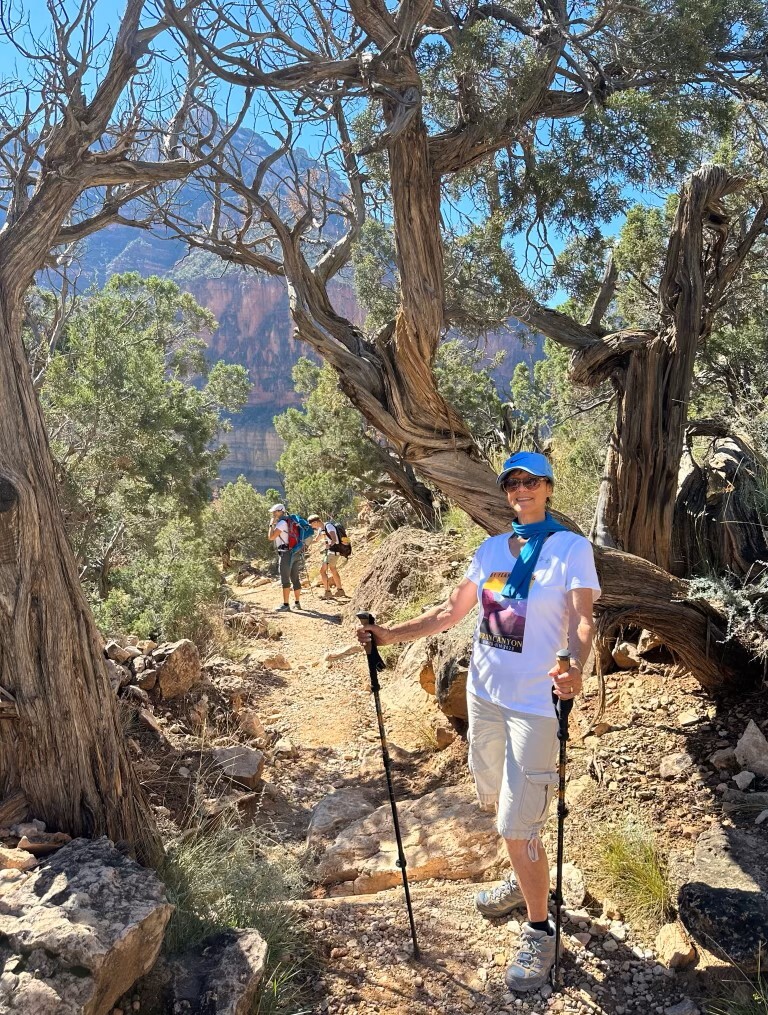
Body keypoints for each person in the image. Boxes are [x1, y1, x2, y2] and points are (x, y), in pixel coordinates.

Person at [357, 451, 599, 992]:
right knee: (499, 804)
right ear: (506, 493)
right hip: (485, 699)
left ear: (549, 488)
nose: (522, 490)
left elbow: (583, 620)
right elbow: (450, 612)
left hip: (536, 704)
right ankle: (524, 883)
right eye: (513, 483)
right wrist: (389, 635)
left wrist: (575, 668)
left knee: (518, 822)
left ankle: (540, 929)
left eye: (532, 481)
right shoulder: (490, 548)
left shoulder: (569, 548)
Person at [267, 503, 303, 611]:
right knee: (295, 578)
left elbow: (271, 537)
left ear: (281, 511)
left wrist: (270, 525)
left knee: (285, 579)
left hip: (286, 553)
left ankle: (286, 605)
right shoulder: (290, 521)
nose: (273, 514)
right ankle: (297, 603)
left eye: (275, 511)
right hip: (295, 551)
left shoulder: (282, 523)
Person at [307, 514, 348, 599]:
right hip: (332, 552)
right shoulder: (321, 529)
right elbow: (316, 540)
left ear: (315, 522)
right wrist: (306, 543)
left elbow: (334, 539)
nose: (312, 526)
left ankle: (328, 592)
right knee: (333, 569)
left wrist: (329, 546)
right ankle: (340, 590)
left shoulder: (328, 526)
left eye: (312, 524)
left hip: (333, 551)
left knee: (322, 571)